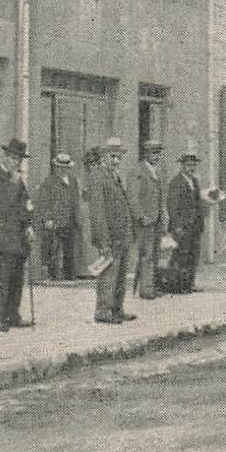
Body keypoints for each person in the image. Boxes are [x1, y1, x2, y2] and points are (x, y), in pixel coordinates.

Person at [0, 138, 34, 332]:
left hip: (18, 239)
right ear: (5, 157)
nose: (16, 163)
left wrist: (29, 225)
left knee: (16, 279)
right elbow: (0, 206)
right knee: (0, 279)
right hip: (1, 238)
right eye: (13, 158)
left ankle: (12, 314)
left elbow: (26, 204)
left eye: (19, 160)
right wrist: (14, 183)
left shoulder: (17, 181)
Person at [91, 138, 137, 324]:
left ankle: (117, 308)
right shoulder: (98, 177)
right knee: (108, 274)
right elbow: (98, 212)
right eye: (112, 156)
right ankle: (103, 310)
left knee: (120, 275)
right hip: (110, 237)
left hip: (122, 236)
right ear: (103, 157)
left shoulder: (115, 177)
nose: (116, 161)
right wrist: (103, 241)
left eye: (119, 157)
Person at [163, 150, 206, 294]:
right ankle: (176, 284)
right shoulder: (176, 182)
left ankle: (189, 283)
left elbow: (197, 203)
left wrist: (200, 221)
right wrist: (177, 226)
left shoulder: (194, 181)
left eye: (193, 165)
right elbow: (172, 206)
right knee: (181, 255)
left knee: (193, 255)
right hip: (182, 226)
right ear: (182, 166)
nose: (191, 167)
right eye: (188, 165)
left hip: (194, 226)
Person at [34, 153, 81, 281]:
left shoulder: (73, 181)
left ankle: (69, 277)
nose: (63, 170)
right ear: (56, 168)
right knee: (53, 249)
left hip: (70, 221)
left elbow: (76, 201)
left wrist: (77, 219)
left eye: (65, 167)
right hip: (55, 221)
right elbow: (44, 202)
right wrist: (47, 218)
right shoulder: (49, 182)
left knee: (69, 250)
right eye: (60, 167)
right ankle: (53, 276)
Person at [129, 139, 166, 300]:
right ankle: (146, 289)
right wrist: (140, 216)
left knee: (154, 254)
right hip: (145, 220)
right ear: (146, 154)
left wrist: (163, 215)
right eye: (153, 153)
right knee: (146, 254)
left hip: (156, 219)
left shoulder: (157, 171)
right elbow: (133, 196)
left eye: (158, 153)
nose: (156, 156)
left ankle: (149, 285)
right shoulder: (138, 170)